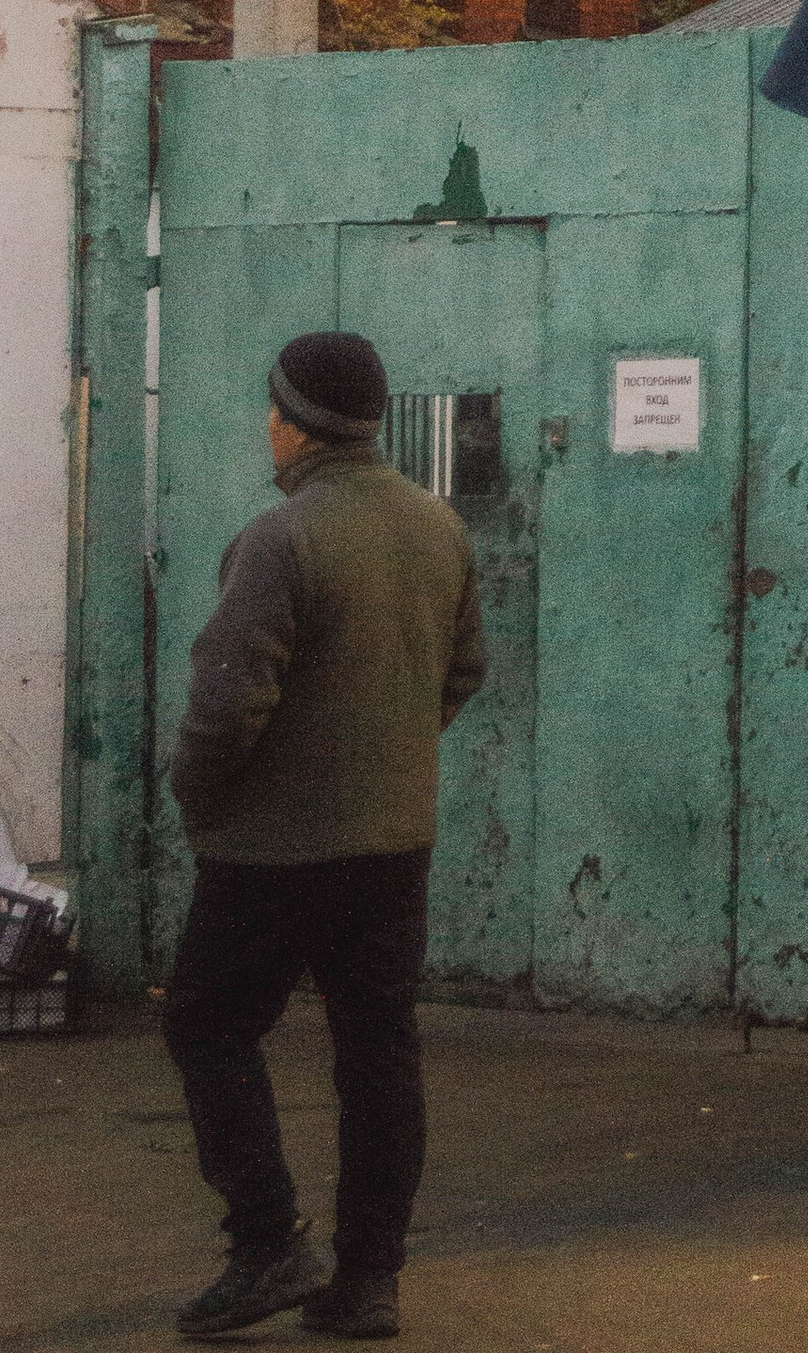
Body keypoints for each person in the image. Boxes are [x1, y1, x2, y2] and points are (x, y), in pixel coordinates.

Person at [161, 331, 485, 1343]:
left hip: (272, 849)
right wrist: (384, 755)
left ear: (290, 419)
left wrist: (201, 800)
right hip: (394, 846)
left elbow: (225, 704)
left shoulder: (282, 537)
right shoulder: (440, 528)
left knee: (208, 1024)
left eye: (271, 408)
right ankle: (368, 1281)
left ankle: (267, 1241)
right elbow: (464, 669)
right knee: (378, 1053)